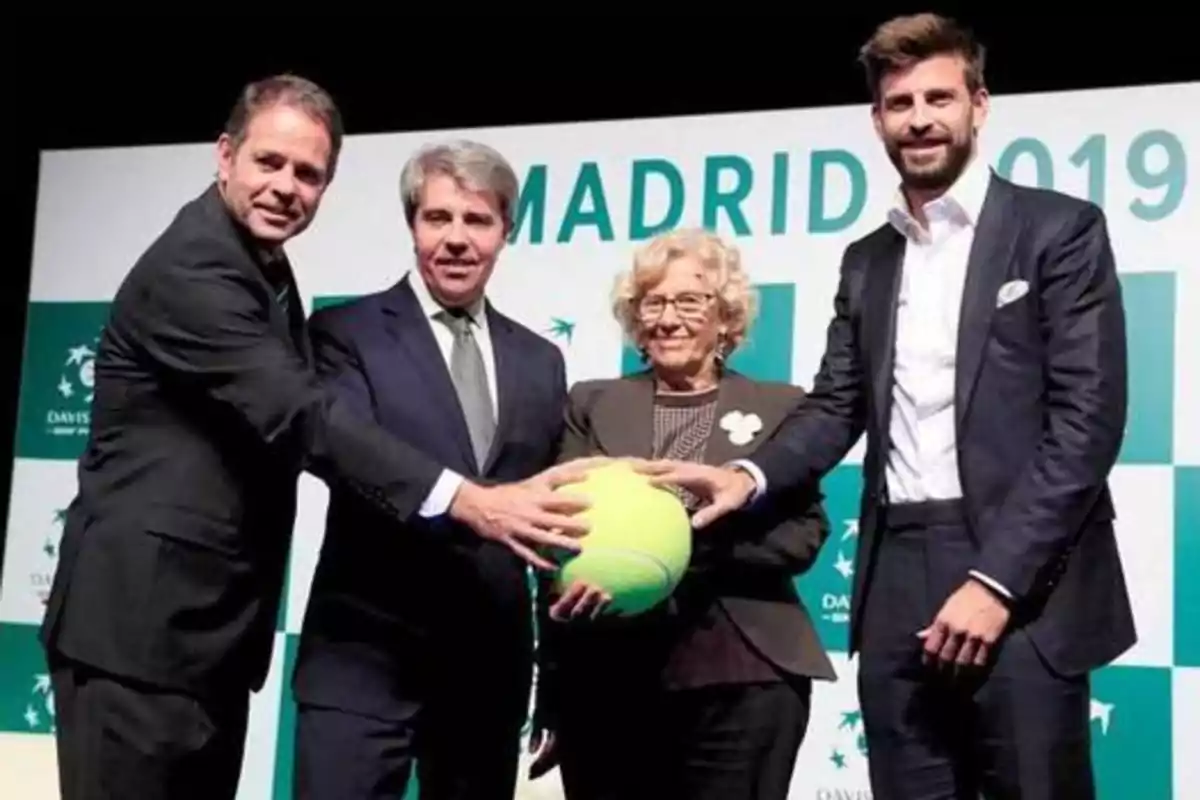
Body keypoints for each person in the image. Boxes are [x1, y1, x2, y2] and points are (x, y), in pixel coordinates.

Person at [39, 76, 591, 800]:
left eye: (308, 174)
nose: (286, 187)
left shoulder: (259, 266)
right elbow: (305, 417)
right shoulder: (196, 268)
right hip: (141, 630)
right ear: (225, 155)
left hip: (205, 636)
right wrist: (472, 502)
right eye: (269, 163)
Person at [643, 14, 1135, 800]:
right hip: (896, 568)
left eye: (939, 97)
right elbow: (837, 405)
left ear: (980, 103)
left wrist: (996, 582)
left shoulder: (1058, 231)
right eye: (899, 103)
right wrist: (746, 477)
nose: (919, 118)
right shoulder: (866, 261)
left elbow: (1088, 422)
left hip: (1026, 574)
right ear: (877, 119)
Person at [290, 139, 598, 800]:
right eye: (438, 218)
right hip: (361, 660)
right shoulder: (343, 332)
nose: (456, 239)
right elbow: (336, 450)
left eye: (477, 220)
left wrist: (559, 679)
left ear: (506, 232)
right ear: (412, 225)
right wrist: (467, 502)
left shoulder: (541, 361)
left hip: (488, 669)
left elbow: (550, 526)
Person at [527, 228, 836, 800]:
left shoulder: (781, 406)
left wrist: (674, 544)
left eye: (690, 300)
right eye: (654, 302)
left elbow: (804, 536)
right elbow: (555, 532)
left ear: (726, 317)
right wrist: (553, 688)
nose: (669, 318)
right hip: (610, 677)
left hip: (745, 673)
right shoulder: (591, 403)